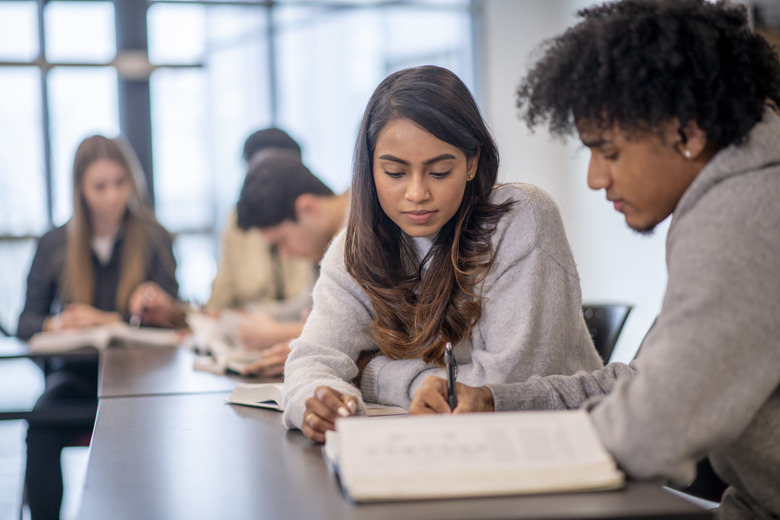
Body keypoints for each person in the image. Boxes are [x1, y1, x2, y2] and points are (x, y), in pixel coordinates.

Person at [409, 2, 780, 519]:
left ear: (689, 133)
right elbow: (640, 382)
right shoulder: (733, 194)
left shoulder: (743, 216)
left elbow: (657, 422)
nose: (595, 178)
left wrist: (502, 452)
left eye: (608, 151)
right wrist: (495, 401)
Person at [281, 65, 602, 443]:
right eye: (395, 173)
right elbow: (311, 361)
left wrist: (369, 372)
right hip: (442, 449)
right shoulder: (354, 247)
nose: (416, 193)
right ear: (370, 168)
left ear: (471, 163)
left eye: (438, 172)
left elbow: (503, 390)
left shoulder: (522, 217)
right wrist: (317, 400)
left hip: (553, 447)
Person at [17, 135, 185, 520]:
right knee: (39, 427)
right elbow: (25, 321)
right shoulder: (54, 243)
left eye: (120, 183)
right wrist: (59, 323)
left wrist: (152, 309)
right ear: (79, 189)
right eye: (100, 187)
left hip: (144, 383)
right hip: (75, 379)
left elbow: (178, 319)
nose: (112, 197)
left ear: (132, 181)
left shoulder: (154, 237)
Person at [233, 155, 350, 376]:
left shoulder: (367, 229)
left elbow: (378, 330)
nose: (285, 255)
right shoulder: (324, 244)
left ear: (307, 208)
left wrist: (278, 333)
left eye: (281, 242)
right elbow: (310, 309)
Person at [205, 127, 315, 313]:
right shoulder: (237, 221)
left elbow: (312, 306)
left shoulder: (312, 218)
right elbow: (219, 300)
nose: (273, 182)